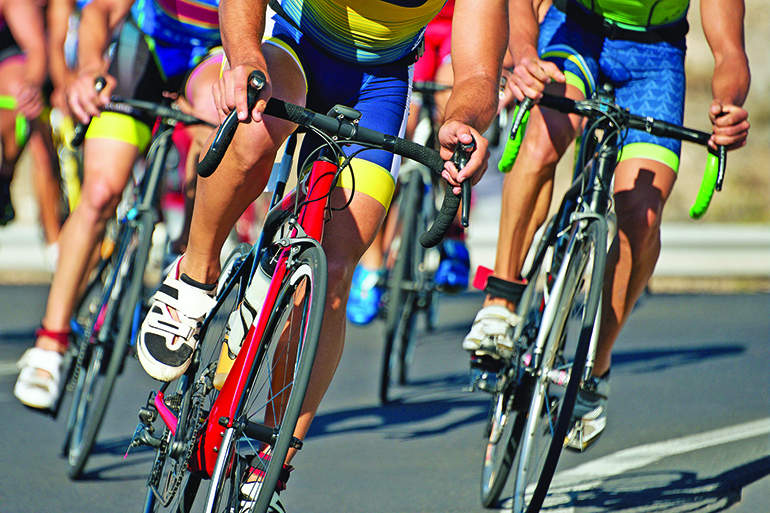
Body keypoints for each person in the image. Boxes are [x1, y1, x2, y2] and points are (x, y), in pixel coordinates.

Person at [136, 0, 507, 508]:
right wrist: (243, 55)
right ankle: (194, 273)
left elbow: (481, 71)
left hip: (380, 82)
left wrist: (463, 122)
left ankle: (273, 455)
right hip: (294, 41)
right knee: (254, 135)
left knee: (335, 268)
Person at [463, 0, 750, 451]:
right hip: (576, 31)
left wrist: (729, 104)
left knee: (642, 214)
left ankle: (594, 368)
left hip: (654, 58)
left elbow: (730, 50)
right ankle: (501, 299)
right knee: (541, 140)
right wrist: (524, 51)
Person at [13, 0, 223, 411]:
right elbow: (102, 11)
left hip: (215, 56)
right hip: (146, 45)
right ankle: (50, 343)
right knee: (101, 191)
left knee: (215, 127)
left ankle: (185, 255)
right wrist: (91, 68)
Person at [346, 0, 471, 325]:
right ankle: (371, 265)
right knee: (405, 127)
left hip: (459, 28)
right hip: (413, 28)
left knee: (454, 120)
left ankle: (454, 229)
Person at [0, 0, 47, 226]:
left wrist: (30, 87)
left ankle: (5, 176)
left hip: (9, 60)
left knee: (16, 90)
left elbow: (36, 47)